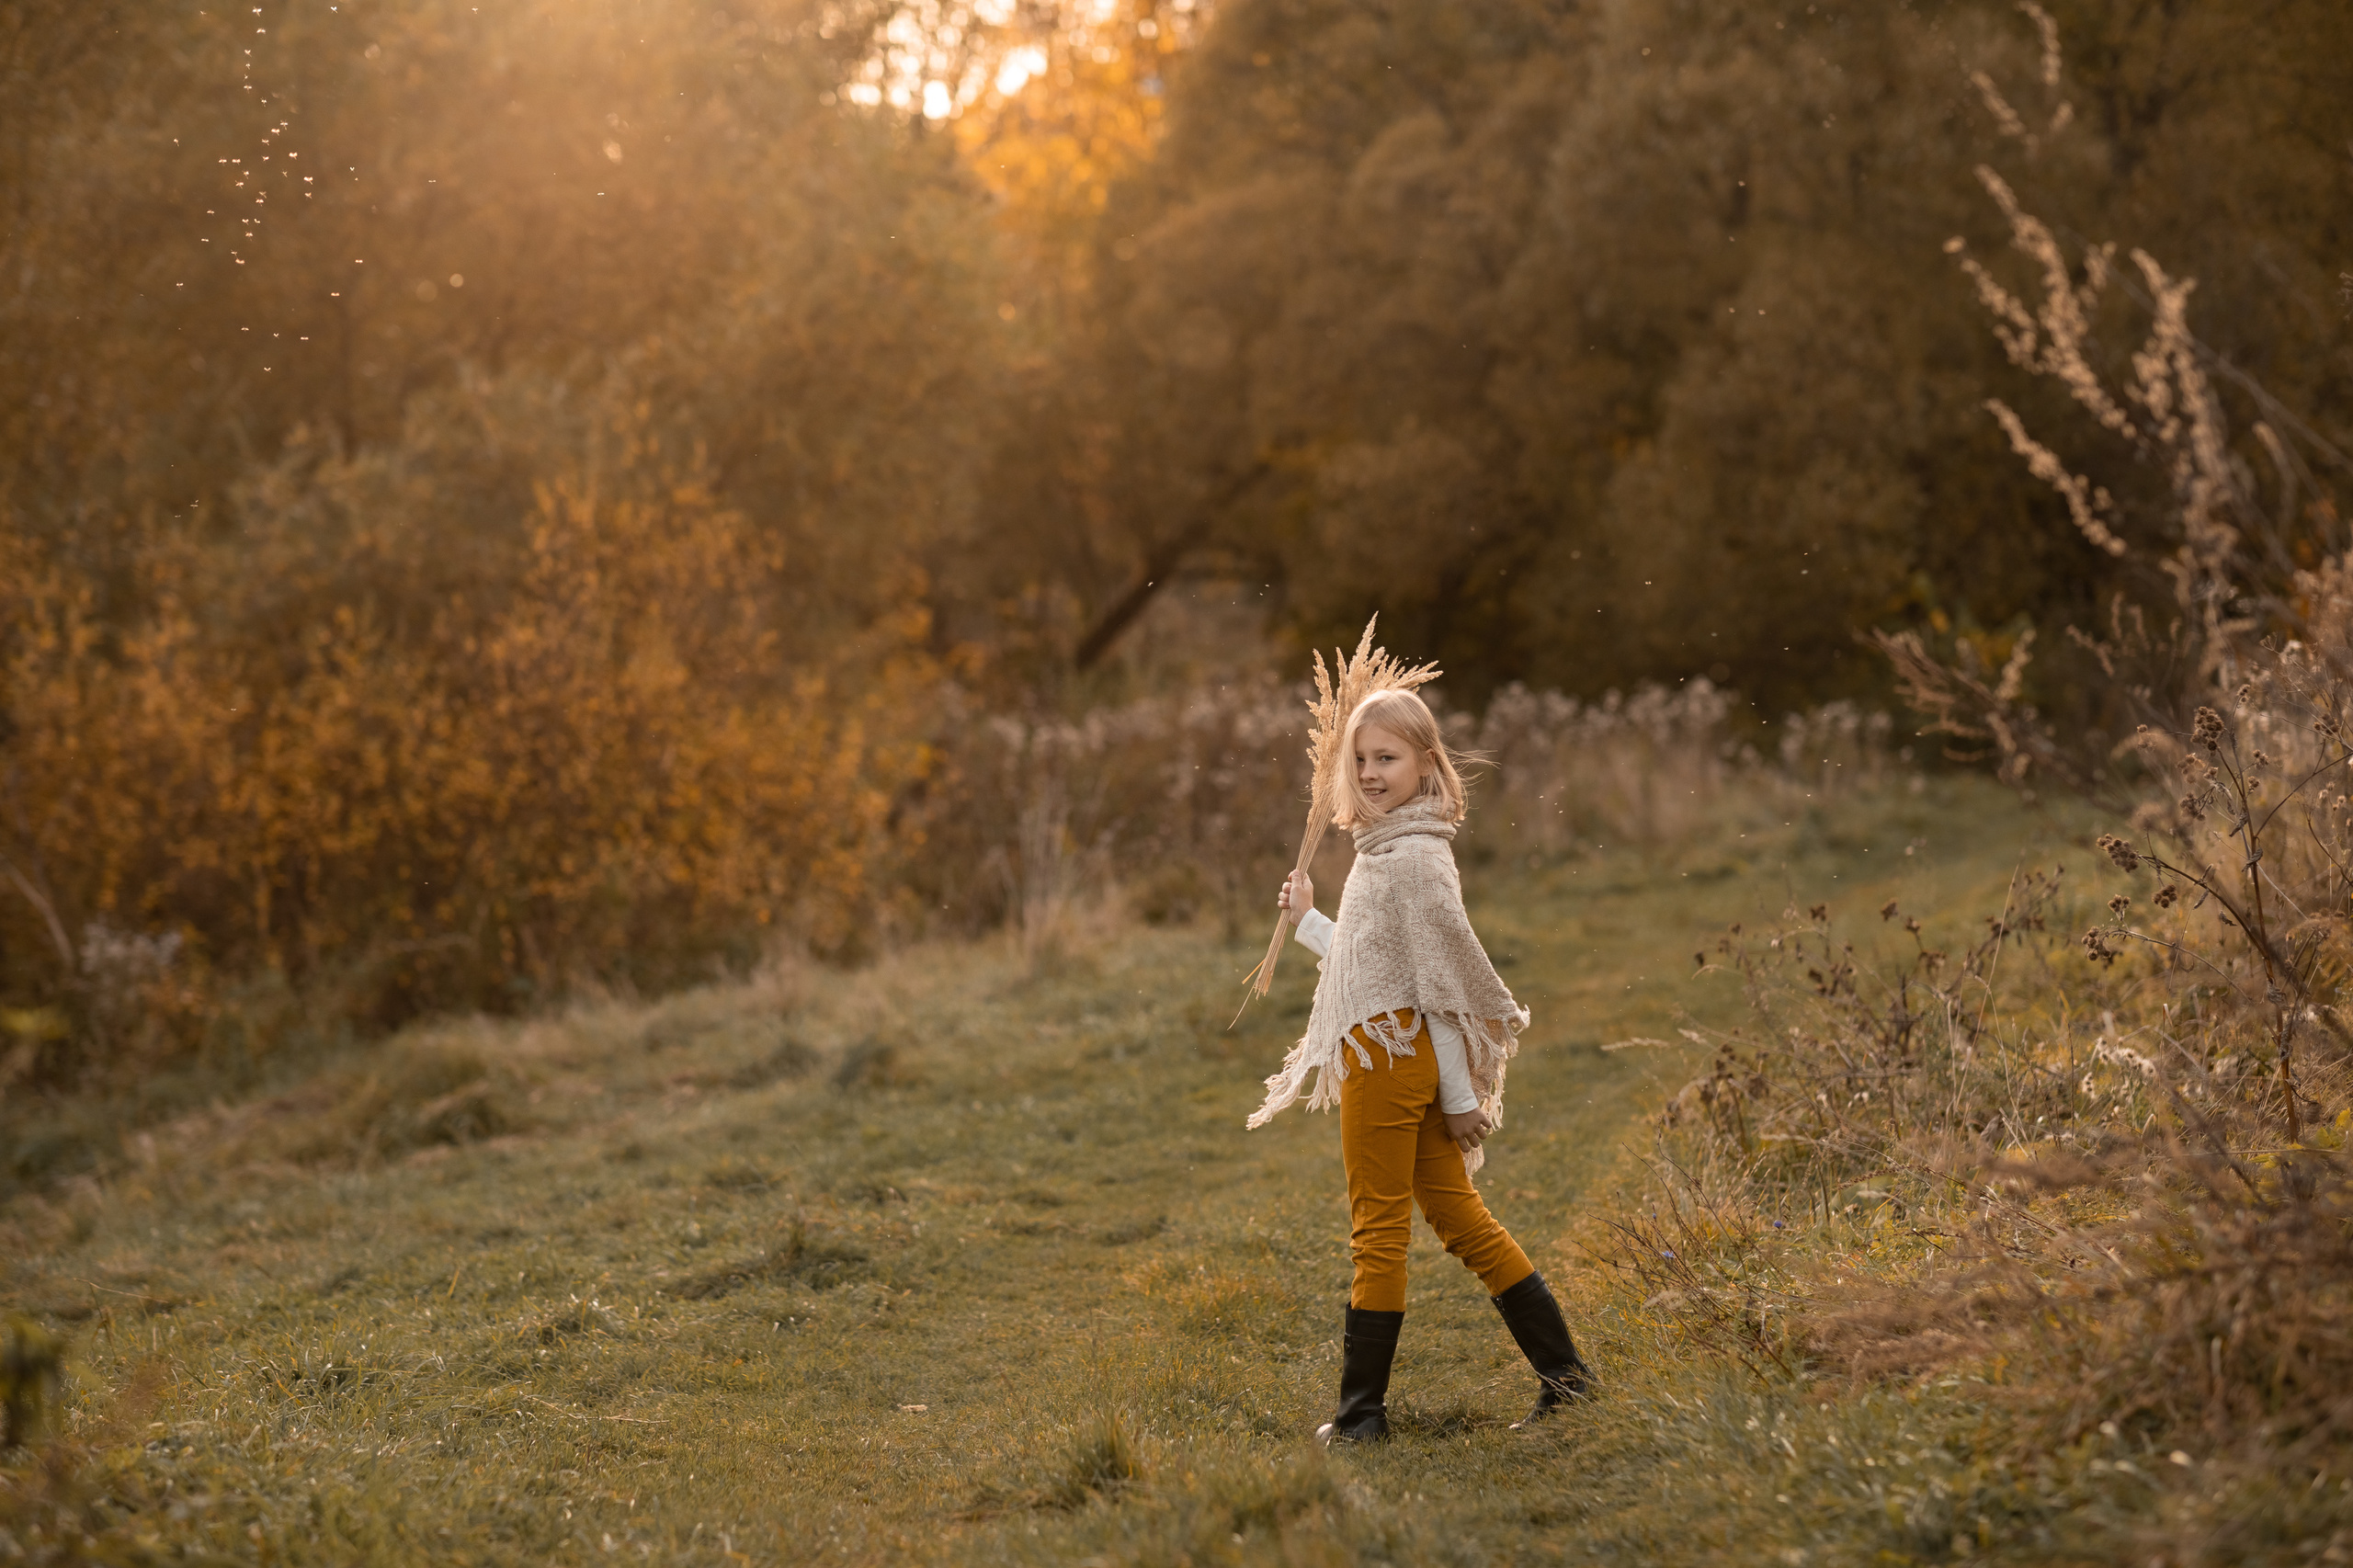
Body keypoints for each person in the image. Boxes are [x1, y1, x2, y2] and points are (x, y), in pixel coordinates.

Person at [1249, 687, 1593, 1442]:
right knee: (1460, 1217)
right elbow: (1379, 965)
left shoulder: (1412, 859)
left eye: (1388, 758)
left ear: (1426, 762)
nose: (1371, 773)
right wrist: (1307, 917)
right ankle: (1567, 1379)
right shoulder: (1392, 847)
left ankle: (1360, 1417)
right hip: (1398, 1053)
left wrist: (1463, 1095)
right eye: (1362, 759)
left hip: (1389, 1059)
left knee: (1377, 1231)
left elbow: (1437, 993)